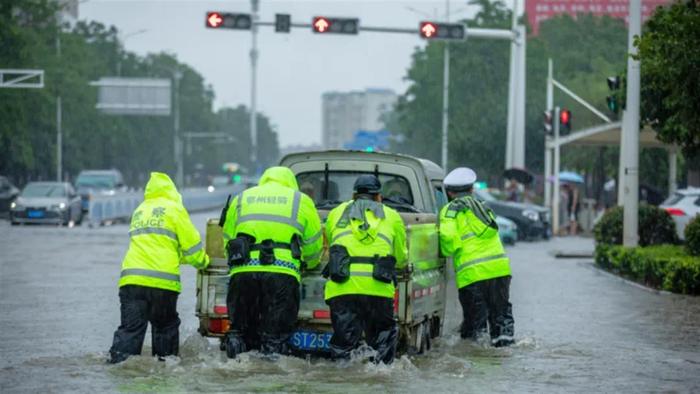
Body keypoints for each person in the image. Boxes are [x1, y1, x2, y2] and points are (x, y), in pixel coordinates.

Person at [221, 166, 323, 358]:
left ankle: (234, 372)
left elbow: (226, 239)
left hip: (242, 276)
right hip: (282, 277)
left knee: (239, 333)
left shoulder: (242, 198)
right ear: (291, 182)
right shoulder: (300, 200)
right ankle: (269, 379)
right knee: (275, 337)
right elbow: (314, 245)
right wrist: (308, 263)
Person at [109, 172, 210, 363]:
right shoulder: (174, 209)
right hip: (163, 284)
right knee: (165, 329)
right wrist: (203, 262)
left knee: (130, 330)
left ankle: (118, 371)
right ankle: (165, 375)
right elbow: (192, 248)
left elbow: (154, 246)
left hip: (131, 281)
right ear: (172, 191)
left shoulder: (140, 210)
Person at [323, 174, 407, 364]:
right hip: (378, 289)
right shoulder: (392, 216)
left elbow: (330, 242)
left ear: (354, 196)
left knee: (343, 345)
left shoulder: (336, 213)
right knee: (382, 340)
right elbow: (401, 257)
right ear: (379, 197)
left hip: (342, 288)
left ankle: (342, 377)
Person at [439, 167, 514, 347]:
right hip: (500, 270)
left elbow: (449, 243)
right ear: (472, 190)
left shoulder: (449, 211)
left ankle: (477, 361)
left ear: (449, 193)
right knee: (501, 317)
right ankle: (504, 352)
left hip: (472, 275)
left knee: (475, 327)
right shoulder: (484, 207)